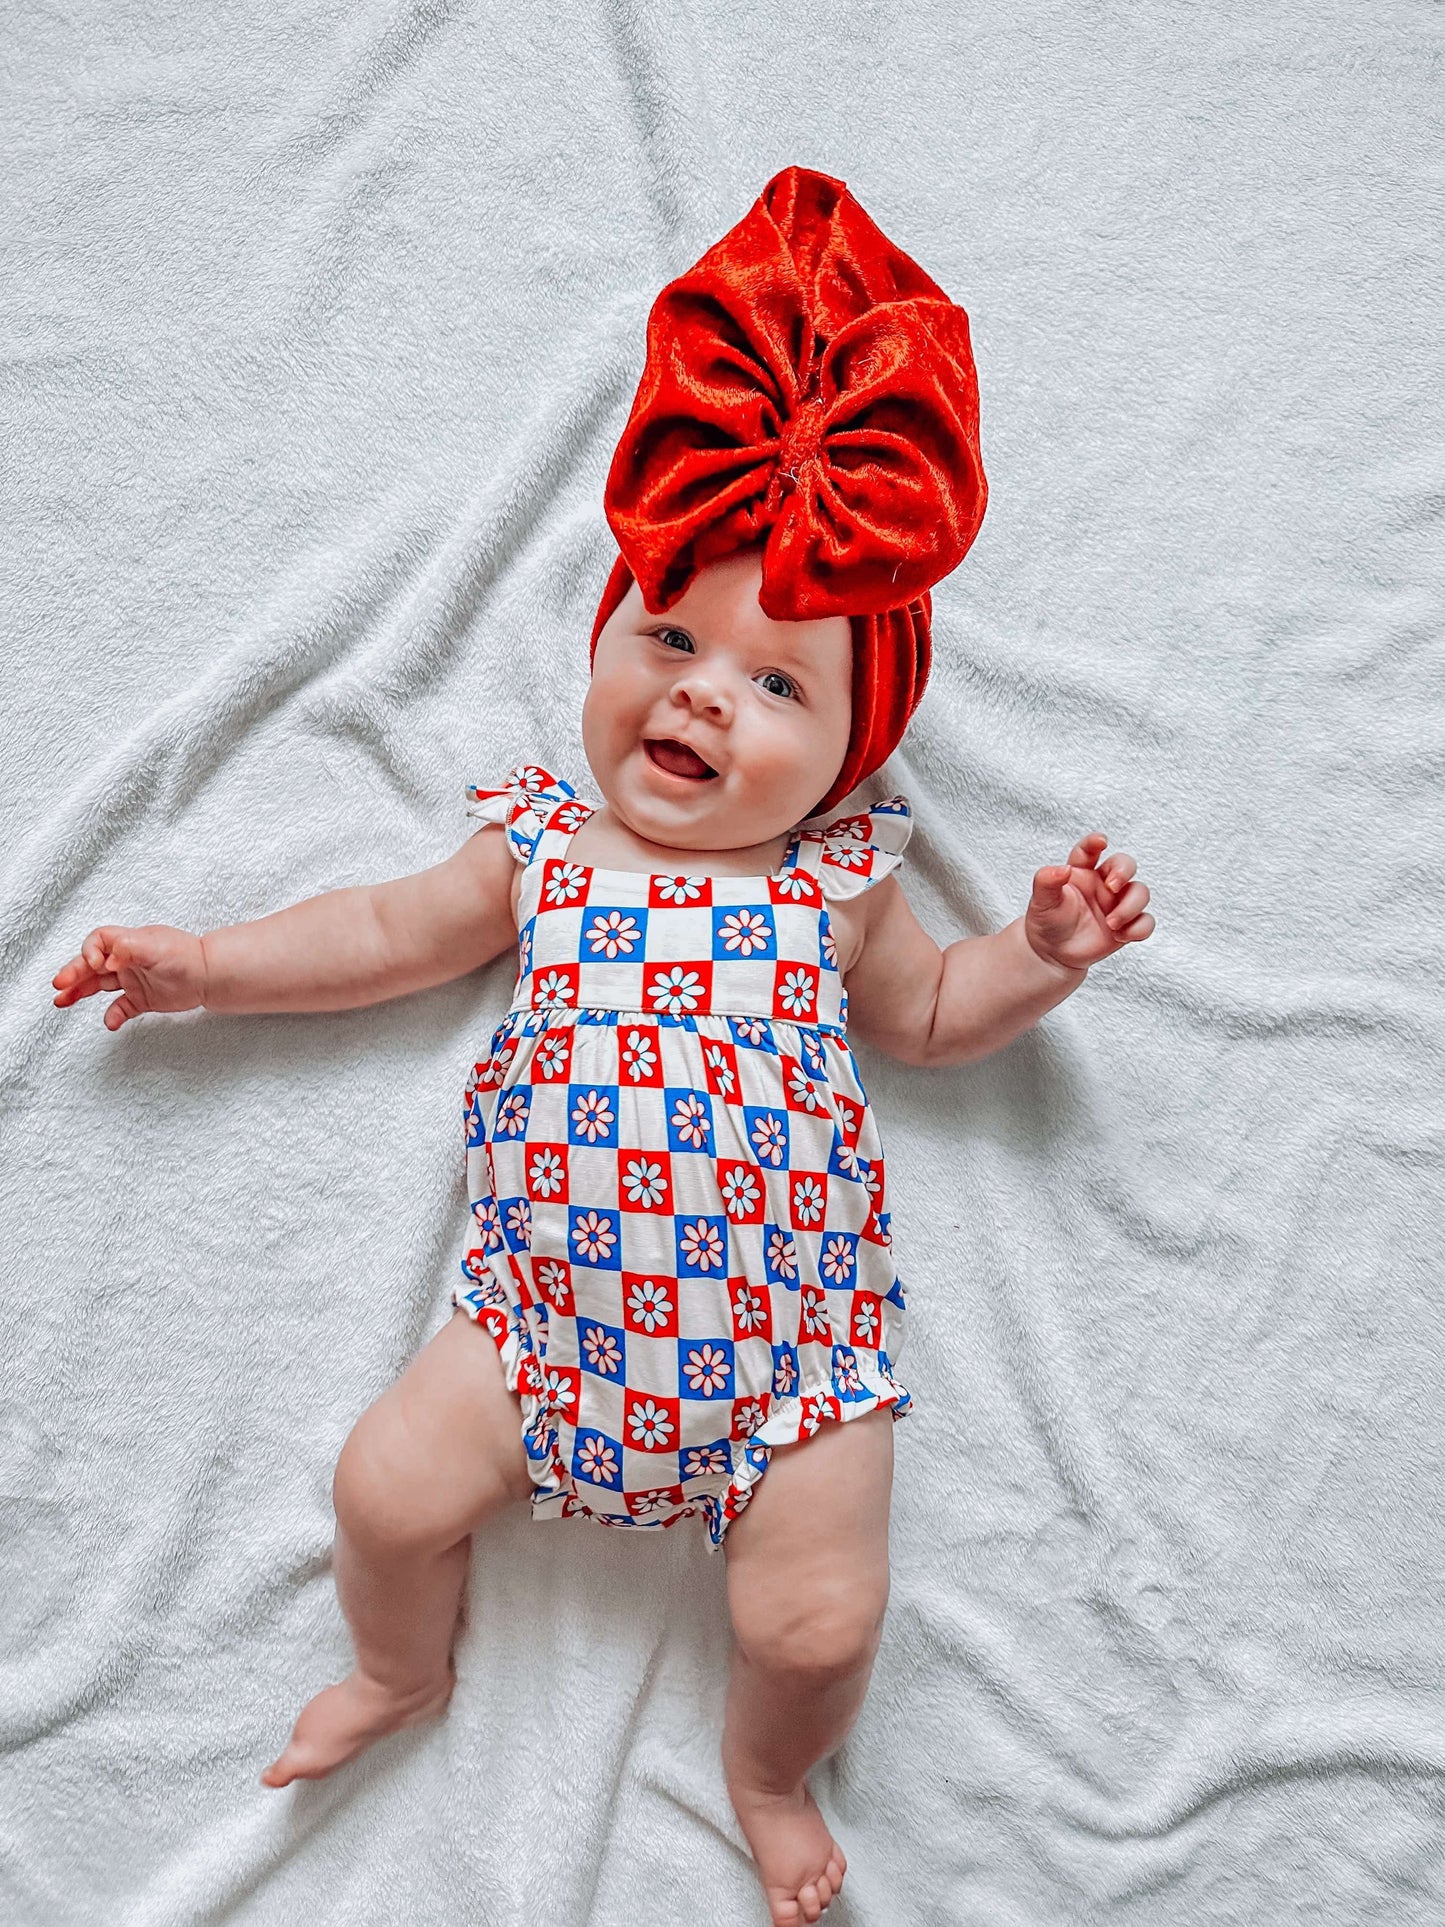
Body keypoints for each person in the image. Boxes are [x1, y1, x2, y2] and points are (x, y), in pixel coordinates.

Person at [49, 169, 1154, 1927]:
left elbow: (938, 1024)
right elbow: (377, 935)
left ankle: (763, 1770)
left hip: (791, 1380)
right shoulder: (543, 848)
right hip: (532, 1334)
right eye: (671, 637)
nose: (707, 689)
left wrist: (1036, 954)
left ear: (854, 761)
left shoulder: (844, 888)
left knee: (819, 1620)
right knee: (384, 1489)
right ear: (607, 647)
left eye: (779, 685)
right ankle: (404, 1673)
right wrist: (204, 965)